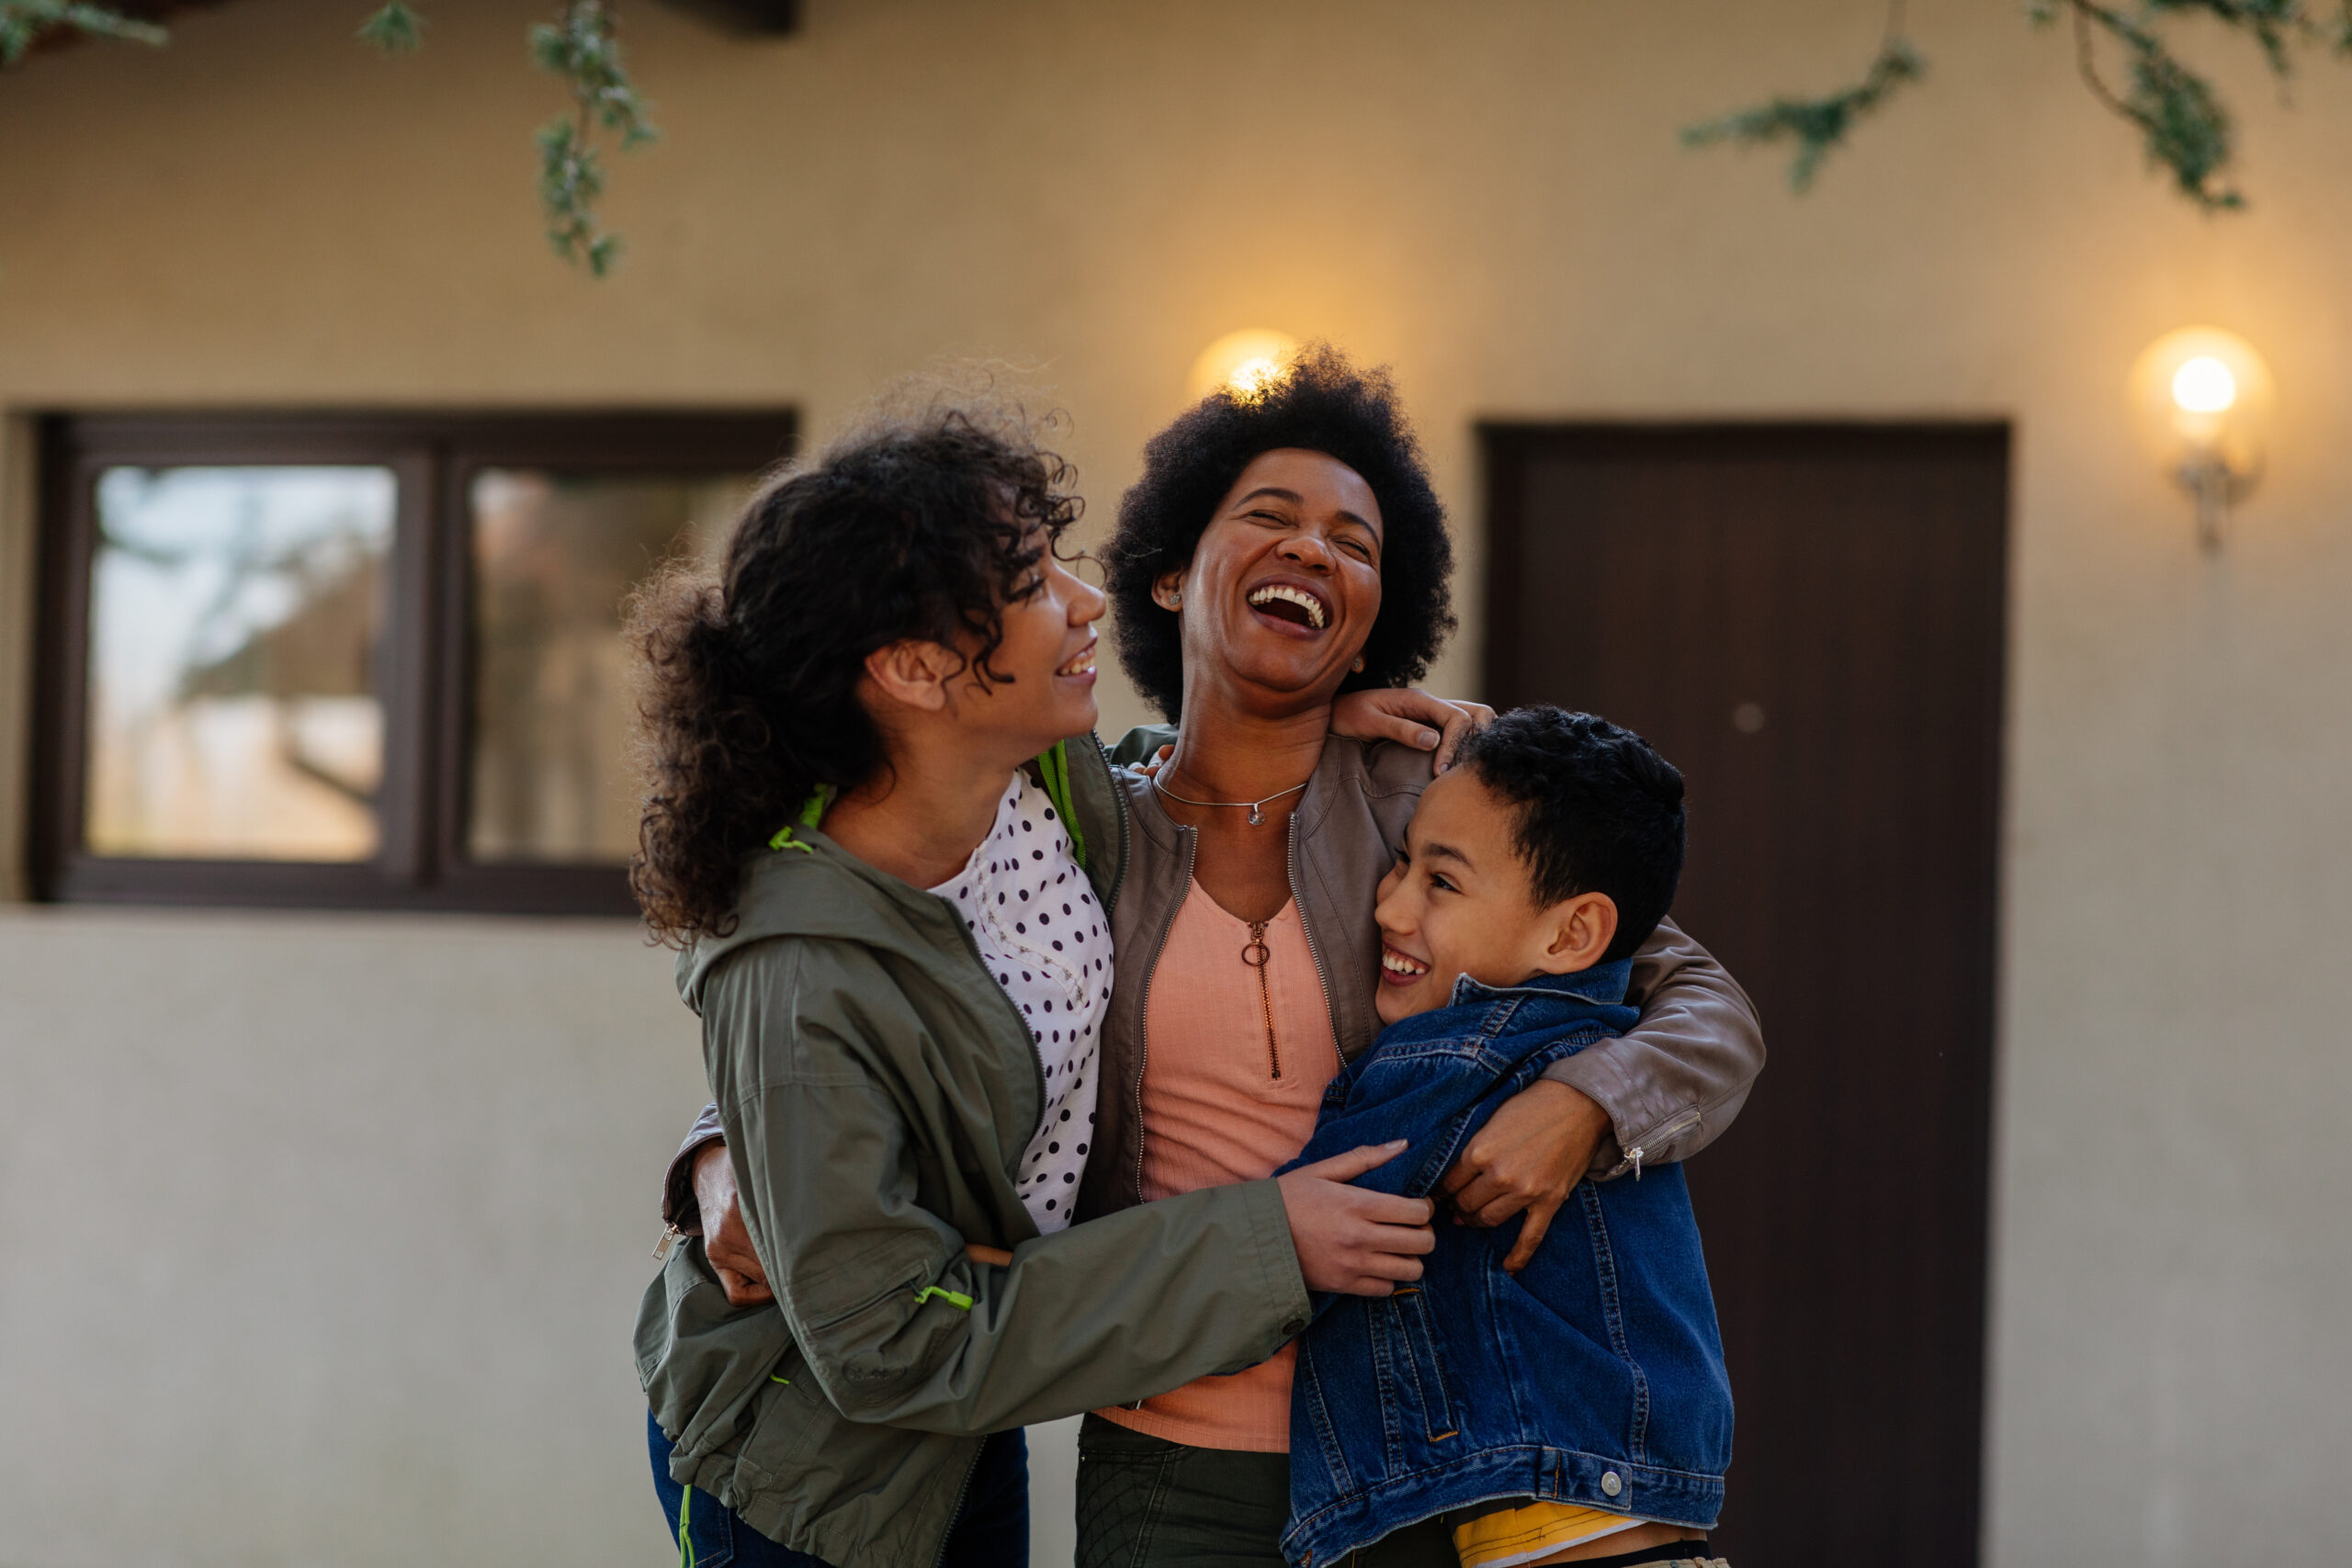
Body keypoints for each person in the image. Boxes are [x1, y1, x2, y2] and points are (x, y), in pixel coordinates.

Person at [662, 347, 1766, 1567]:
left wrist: (1587, 1102)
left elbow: (1693, 992)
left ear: (1377, 619)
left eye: (1356, 542)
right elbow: (859, 950)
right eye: (1274, 517)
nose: (1315, 550)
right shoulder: (1086, 816)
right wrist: (721, 1152)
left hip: (1404, 1444)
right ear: (1174, 573)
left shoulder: (1431, 803)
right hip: (1166, 1447)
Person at [629, 400, 1441, 1568]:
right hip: (814, 1468)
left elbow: (1166, 799)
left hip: (973, 1420)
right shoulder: (798, 975)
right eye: (1031, 581)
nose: (1085, 600)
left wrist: (1312, 722)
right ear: (917, 668)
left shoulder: (1046, 786)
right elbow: (892, 1342)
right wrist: (1264, 1244)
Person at [1281, 706, 1733, 1568]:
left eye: (1440, 882)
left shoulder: (1458, 1054)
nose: (1390, 902)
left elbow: (1295, 1238)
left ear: (1571, 933)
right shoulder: (1604, 1032)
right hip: (1652, 1525)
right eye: (1401, 860)